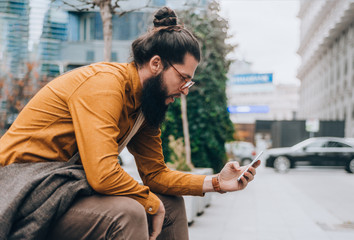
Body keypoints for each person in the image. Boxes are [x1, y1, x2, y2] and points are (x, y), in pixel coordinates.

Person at [0, 6, 260, 240]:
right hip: (23, 188)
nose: (185, 90)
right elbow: (102, 174)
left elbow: (156, 175)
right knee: (128, 213)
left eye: (189, 82)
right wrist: (149, 201)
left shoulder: (146, 105)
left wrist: (216, 182)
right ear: (156, 63)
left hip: (64, 187)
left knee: (169, 203)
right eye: (183, 78)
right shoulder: (105, 85)